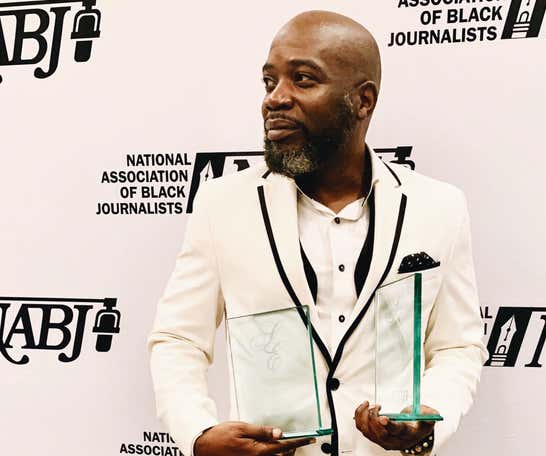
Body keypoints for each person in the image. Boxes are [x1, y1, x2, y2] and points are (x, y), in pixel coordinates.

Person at [148, 10, 487, 456]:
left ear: (362, 101)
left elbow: (458, 345)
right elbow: (178, 339)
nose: (276, 99)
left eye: (303, 80)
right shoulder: (222, 205)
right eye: (270, 82)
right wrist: (199, 433)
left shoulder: (438, 206)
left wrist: (427, 420)